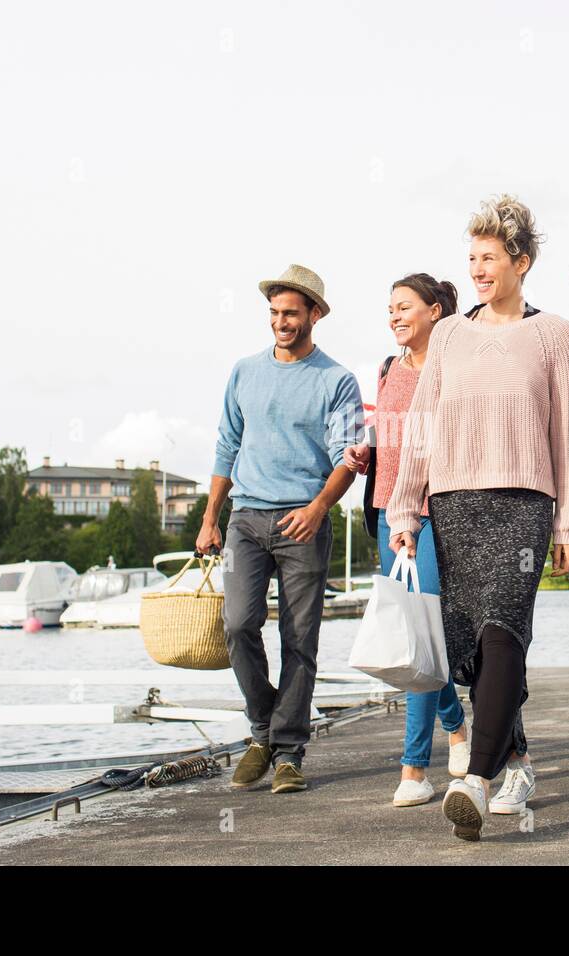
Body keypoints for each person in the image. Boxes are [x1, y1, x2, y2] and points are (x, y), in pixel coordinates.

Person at [386, 195, 569, 841]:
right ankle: (520, 763)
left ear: (521, 261)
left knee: (504, 632)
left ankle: (474, 777)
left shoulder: (553, 333)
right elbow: (420, 429)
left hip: (524, 503)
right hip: (454, 502)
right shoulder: (447, 334)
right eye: (471, 257)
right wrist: (406, 510)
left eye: (490, 257)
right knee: (470, 651)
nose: (477, 268)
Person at [197, 264, 365, 795]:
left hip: (303, 521)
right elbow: (227, 444)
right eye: (274, 313)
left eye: (291, 313)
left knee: (300, 641)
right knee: (238, 625)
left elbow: (348, 457)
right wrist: (209, 518)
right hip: (246, 517)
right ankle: (263, 730)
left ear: (314, 314)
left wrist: (318, 509)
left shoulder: (337, 381)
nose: (281, 322)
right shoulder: (245, 371)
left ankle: (288, 753)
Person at [343, 274, 470, 808]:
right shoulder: (388, 368)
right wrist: (366, 451)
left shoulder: (455, 370)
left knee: (424, 624)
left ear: (435, 311)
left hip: (433, 512)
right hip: (386, 513)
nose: (394, 316)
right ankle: (457, 727)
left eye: (404, 307)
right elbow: (392, 434)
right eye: (389, 309)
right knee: (413, 626)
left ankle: (414, 769)